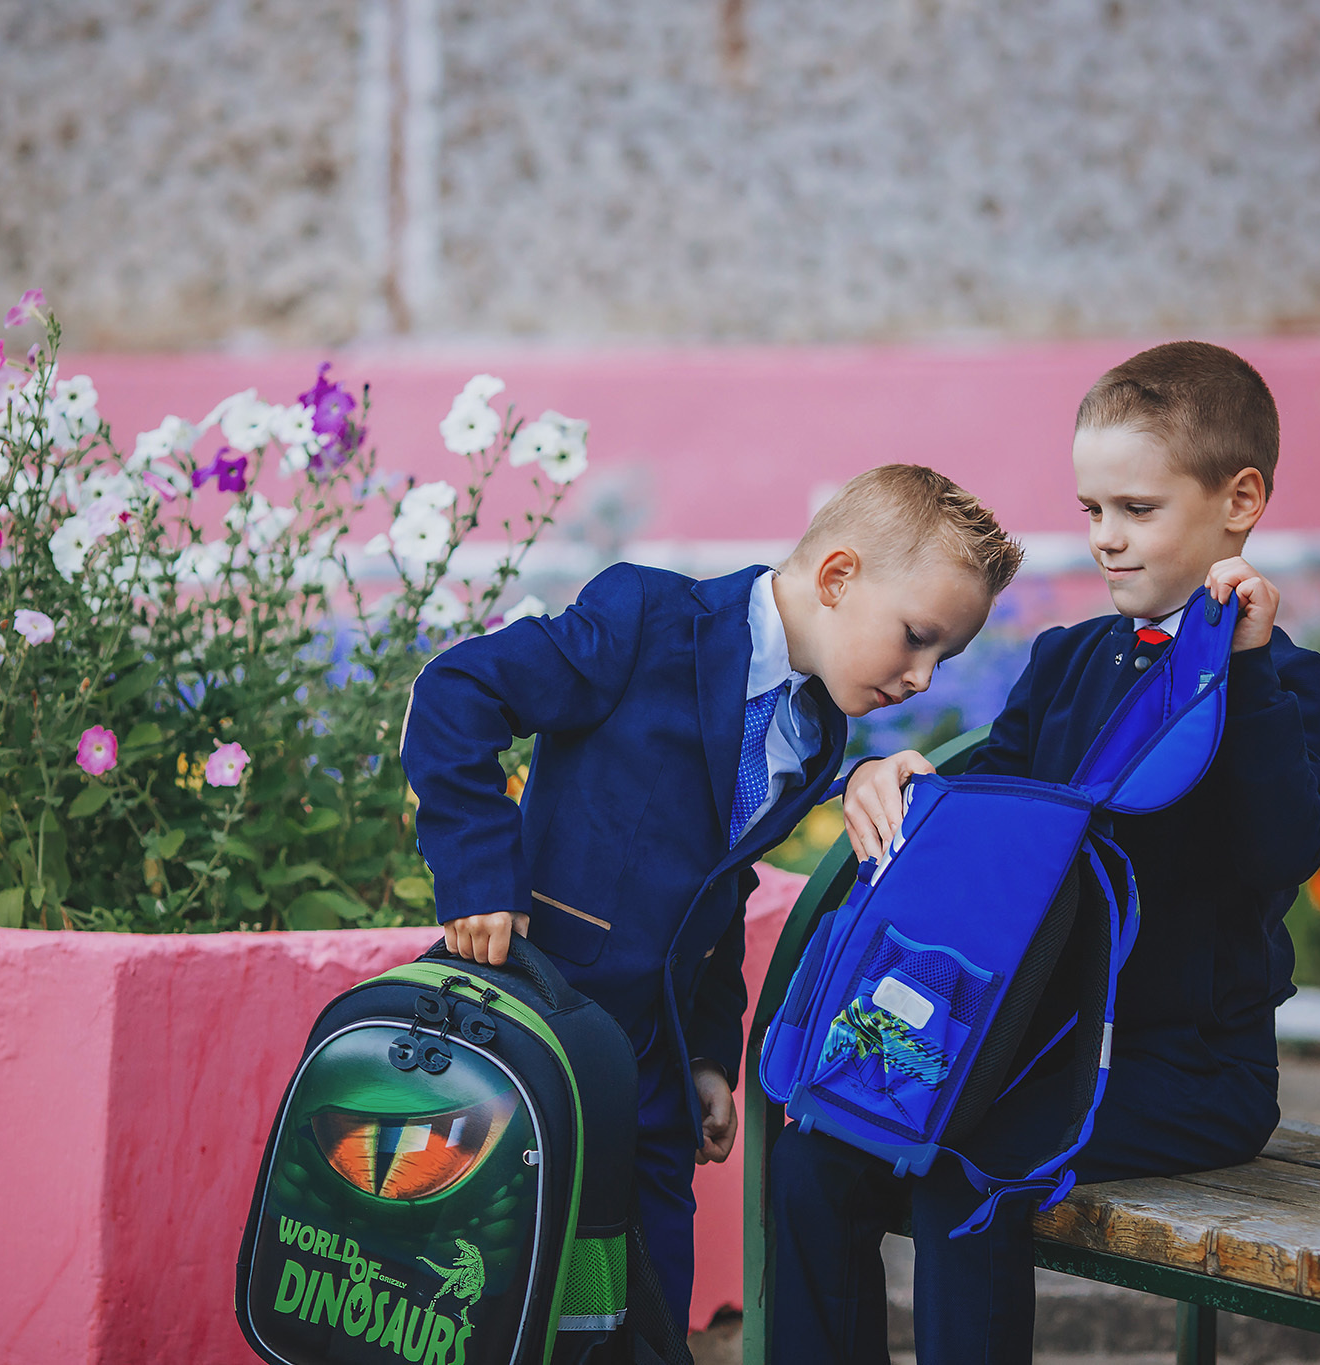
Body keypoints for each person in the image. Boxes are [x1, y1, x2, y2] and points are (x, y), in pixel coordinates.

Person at [771, 342, 1320, 1364]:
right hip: (1025, 1046)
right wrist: (892, 778)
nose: (1105, 540)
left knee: (968, 1158)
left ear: (1238, 500)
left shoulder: (1287, 690)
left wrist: (1245, 672)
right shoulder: (1067, 659)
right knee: (818, 1141)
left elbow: (1277, 853)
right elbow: (992, 803)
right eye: (1090, 511)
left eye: (1135, 510)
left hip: (1184, 1077)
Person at [401, 464, 1023, 1330]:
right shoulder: (647, 620)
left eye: (944, 656)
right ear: (838, 577)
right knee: (498, 1292)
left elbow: (718, 891)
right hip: (536, 1029)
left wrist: (705, 1053)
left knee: (632, 1298)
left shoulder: (816, 731)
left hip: (650, 1074)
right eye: (916, 636)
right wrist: (477, 876)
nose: (923, 677)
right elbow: (454, 692)